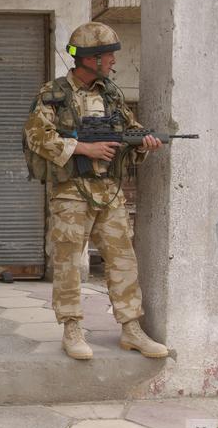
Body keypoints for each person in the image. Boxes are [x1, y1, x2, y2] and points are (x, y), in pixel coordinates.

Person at [23, 22, 169, 360]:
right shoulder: (54, 94)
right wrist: (84, 149)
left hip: (109, 190)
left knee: (122, 259)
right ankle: (72, 328)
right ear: (90, 58)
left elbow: (129, 131)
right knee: (69, 261)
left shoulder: (111, 94)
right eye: (108, 56)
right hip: (72, 191)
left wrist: (145, 142)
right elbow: (36, 135)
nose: (113, 63)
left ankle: (131, 328)